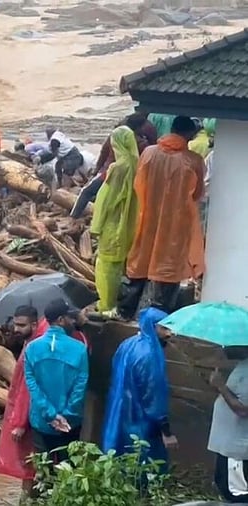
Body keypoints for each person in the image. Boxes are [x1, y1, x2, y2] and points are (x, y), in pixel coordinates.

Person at [118, 116, 206, 319]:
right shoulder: (193, 161)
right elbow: (197, 193)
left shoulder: (149, 153)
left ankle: (125, 311)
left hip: (147, 216)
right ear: (189, 134)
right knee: (169, 269)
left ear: (171, 129)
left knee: (139, 263)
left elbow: (138, 183)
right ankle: (161, 316)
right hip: (174, 223)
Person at [101, 308, 177, 472]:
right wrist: (166, 431)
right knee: (144, 465)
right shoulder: (150, 356)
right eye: (164, 328)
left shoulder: (128, 344)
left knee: (119, 458)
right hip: (141, 420)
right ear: (152, 327)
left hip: (119, 412)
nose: (169, 333)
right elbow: (153, 396)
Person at [23, 299, 89, 463]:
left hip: (41, 420)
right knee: (68, 468)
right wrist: (66, 415)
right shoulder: (80, 349)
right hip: (69, 423)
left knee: (43, 467)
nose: (72, 321)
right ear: (60, 320)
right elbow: (80, 387)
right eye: (69, 317)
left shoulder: (31, 348)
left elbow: (32, 385)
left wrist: (50, 414)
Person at [90, 126, 140, 315]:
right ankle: (118, 302)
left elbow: (105, 199)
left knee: (106, 268)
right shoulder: (138, 164)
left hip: (113, 225)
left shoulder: (117, 168)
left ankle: (106, 306)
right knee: (120, 267)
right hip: (130, 225)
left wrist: (96, 226)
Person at [71, 113, 157, 219]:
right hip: (131, 176)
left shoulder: (116, 135)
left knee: (86, 192)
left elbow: (104, 152)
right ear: (140, 127)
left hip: (109, 172)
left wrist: (96, 170)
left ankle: (74, 217)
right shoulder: (142, 142)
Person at [0, 305, 40, 496]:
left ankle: (28, 498)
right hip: (28, 410)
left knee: (29, 458)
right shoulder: (29, 342)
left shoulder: (35, 347)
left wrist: (20, 422)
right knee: (29, 459)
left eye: (22, 325)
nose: (16, 329)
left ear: (35, 324)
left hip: (30, 413)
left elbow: (27, 388)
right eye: (15, 324)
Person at [208, 354, 248, 503]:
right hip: (230, 446)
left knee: (237, 495)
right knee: (226, 486)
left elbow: (243, 410)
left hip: (237, 450)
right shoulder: (244, 365)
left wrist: (221, 386)